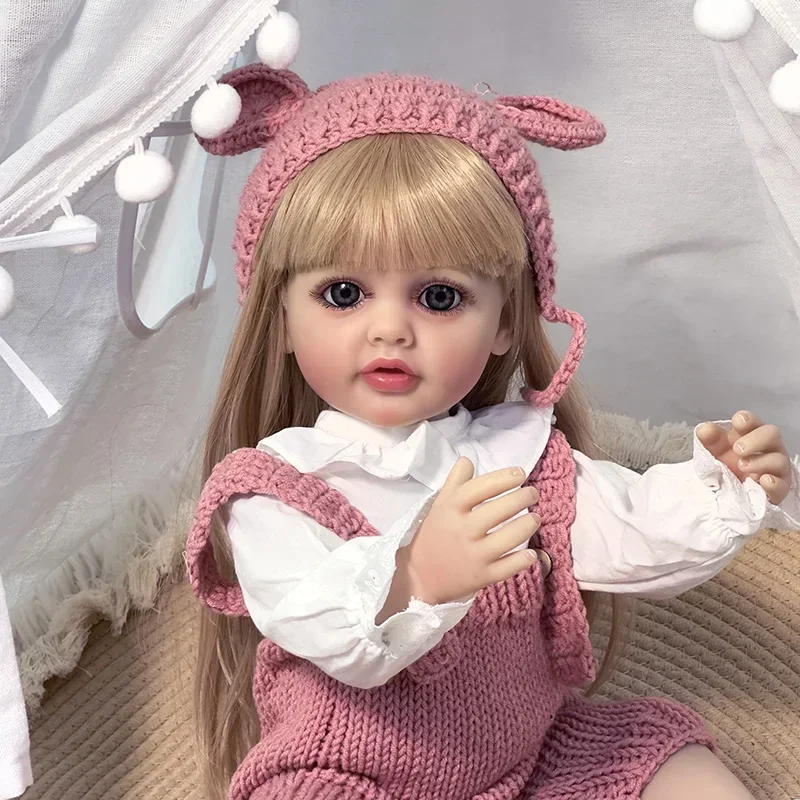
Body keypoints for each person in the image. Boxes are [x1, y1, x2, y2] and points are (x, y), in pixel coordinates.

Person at [185, 65, 799, 800]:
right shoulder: (278, 489)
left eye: (440, 296)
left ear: (506, 319)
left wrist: (725, 486)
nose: (390, 329)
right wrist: (415, 576)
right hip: (347, 771)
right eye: (343, 293)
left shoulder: (518, 458)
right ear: (282, 318)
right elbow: (324, 628)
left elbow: (636, 533)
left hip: (530, 760)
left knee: (673, 762)